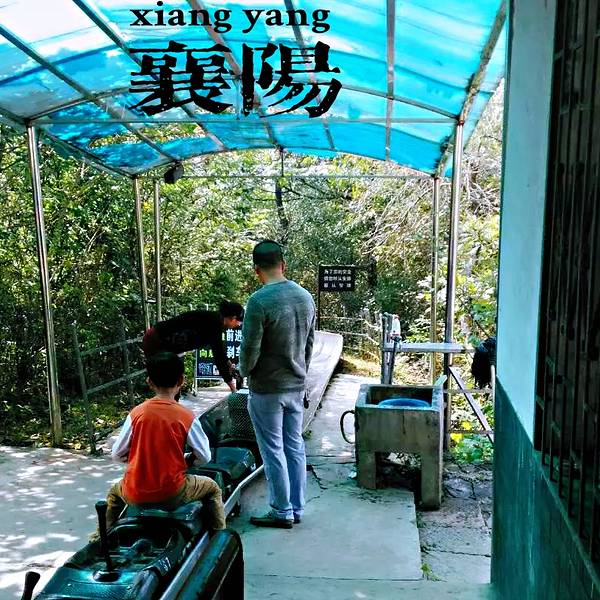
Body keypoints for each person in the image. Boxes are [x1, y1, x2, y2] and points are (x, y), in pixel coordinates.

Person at [99, 352, 226, 534]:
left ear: (149, 382)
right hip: (172, 494)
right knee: (213, 488)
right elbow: (204, 456)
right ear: (181, 380)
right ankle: (219, 535)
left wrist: (135, 460)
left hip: (134, 493)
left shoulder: (136, 413)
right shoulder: (186, 416)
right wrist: (188, 461)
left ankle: (100, 537)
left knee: (113, 494)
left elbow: (117, 454)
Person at [239, 240, 316, 528]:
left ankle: (282, 511)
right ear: (283, 265)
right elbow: (310, 343)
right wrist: (301, 373)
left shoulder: (259, 301)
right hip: (296, 386)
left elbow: (250, 348)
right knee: (294, 445)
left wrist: (243, 372)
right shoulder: (305, 297)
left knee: (272, 449)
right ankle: (297, 507)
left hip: (267, 389)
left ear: (256, 270)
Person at [142, 300, 244, 393]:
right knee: (166, 384)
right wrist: (233, 388)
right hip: (157, 340)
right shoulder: (213, 323)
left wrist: (228, 363)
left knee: (173, 384)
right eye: (239, 321)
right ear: (232, 318)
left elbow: (219, 352)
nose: (239, 325)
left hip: (169, 346)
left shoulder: (215, 320)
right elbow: (219, 356)